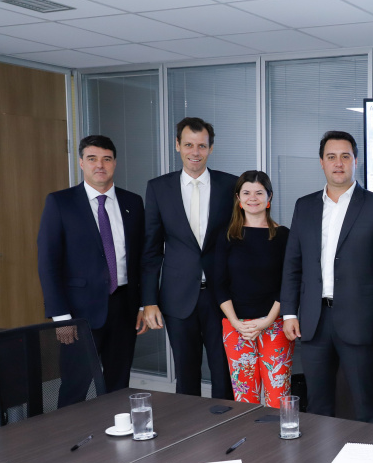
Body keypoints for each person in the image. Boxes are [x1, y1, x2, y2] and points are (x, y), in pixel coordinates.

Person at [281, 130, 373, 463]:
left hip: (361, 321)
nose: (338, 162)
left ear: (355, 161)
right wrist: (288, 311)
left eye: (345, 156)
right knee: (319, 403)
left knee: (366, 404)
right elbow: (293, 264)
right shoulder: (304, 206)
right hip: (315, 319)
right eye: (331, 156)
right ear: (321, 162)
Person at [37, 135, 147, 397]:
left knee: (119, 385)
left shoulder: (133, 202)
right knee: (75, 385)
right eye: (92, 159)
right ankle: (68, 438)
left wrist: (142, 304)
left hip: (124, 308)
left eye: (106, 159)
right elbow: (48, 262)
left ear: (115, 163)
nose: (100, 165)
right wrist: (61, 317)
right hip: (79, 313)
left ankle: (115, 435)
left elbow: (141, 258)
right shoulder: (60, 202)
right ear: (81, 163)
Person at [142, 117, 237, 399]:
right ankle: (190, 433)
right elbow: (151, 249)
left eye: (201, 146)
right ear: (177, 146)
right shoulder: (159, 188)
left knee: (223, 370)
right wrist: (149, 301)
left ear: (210, 148)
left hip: (221, 297)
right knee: (186, 372)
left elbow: (240, 239)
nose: (195, 152)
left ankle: (225, 427)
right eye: (188, 145)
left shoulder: (230, 185)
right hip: (177, 297)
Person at [212, 171, 291, 407]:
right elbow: (219, 283)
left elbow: (288, 282)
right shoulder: (226, 235)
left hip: (275, 324)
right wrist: (236, 323)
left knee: (278, 397)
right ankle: (252, 444)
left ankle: (279, 443)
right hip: (236, 326)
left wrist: (267, 321)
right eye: (246, 192)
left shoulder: (283, 236)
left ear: (269, 197)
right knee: (244, 397)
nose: (252, 198)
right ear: (238, 198)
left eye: (259, 192)